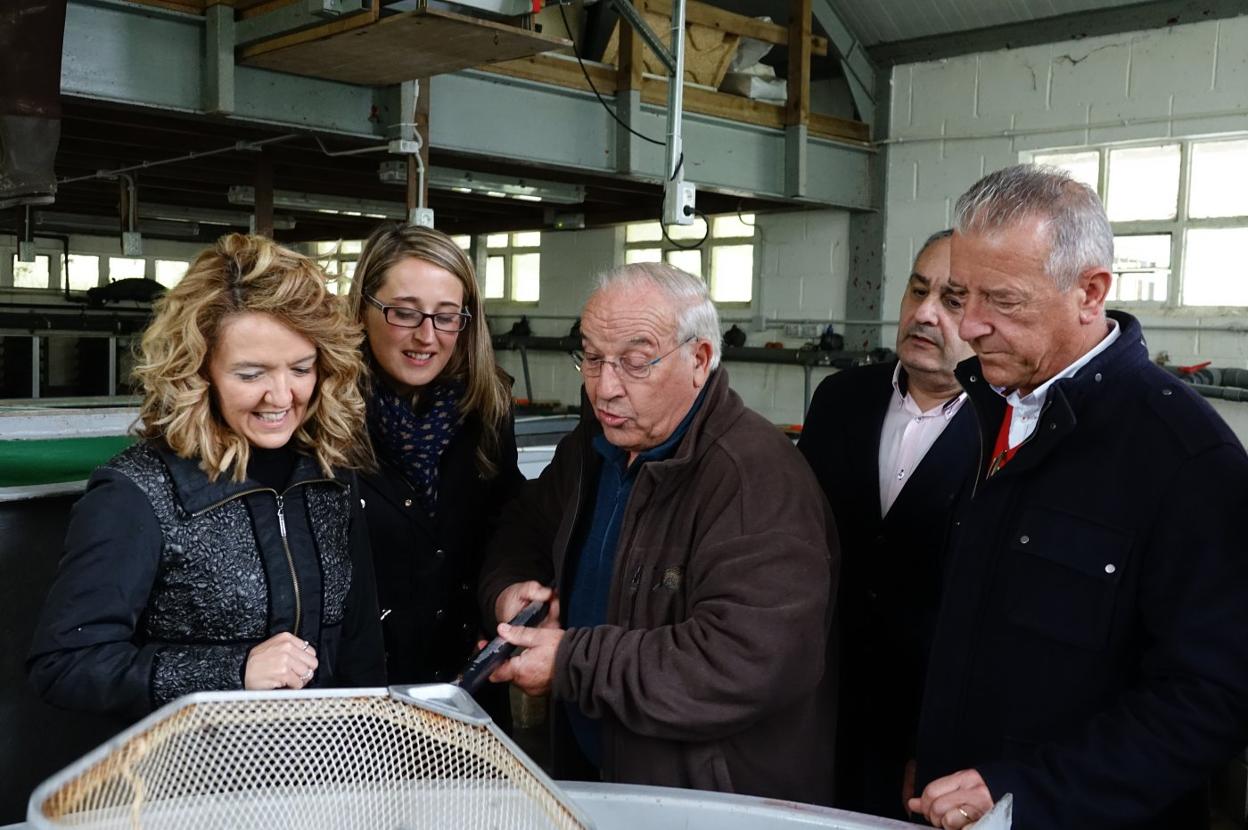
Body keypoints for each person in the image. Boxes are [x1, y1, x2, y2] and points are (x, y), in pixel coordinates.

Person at [907, 164, 1248, 830]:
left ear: (1090, 292)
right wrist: (927, 746)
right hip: (950, 802)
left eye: (1001, 300)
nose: (968, 326)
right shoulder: (985, 414)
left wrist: (1025, 796)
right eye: (959, 293)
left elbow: (1212, 700)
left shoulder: (1185, 460)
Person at [475, 262, 838, 804]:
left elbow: (743, 661)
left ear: (700, 359)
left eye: (636, 362)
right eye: (592, 358)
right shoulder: (590, 451)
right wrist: (511, 589)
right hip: (596, 780)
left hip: (711, 803)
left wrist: (571, 663)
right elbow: (520, 527)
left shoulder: (752, 479)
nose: (605, 387)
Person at [28, 233, 385, 720]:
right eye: (250, 374)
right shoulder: (136, 490)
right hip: (189, 782)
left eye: (301, 368)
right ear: (197, 371)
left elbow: (361, 647)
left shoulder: (331, 473)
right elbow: (65, 664)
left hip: (320, 772)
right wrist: (232, 671)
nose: (281, 397)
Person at [798, 229, 976, 820]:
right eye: (917, 289)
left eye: (952, 301)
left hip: (931, 736)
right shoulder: (839, 400)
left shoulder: (1009, 432)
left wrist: (942, 744)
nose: (924, 314)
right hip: (822, 702)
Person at [346, 224, 523, 716]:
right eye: (404, 313)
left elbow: (505, 525)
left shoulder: (487, 406)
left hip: (464, 688)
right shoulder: (321, 414)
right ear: (363, 309)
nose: (427, 336)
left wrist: (506, 600)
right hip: (357, 698)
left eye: (447, 318)